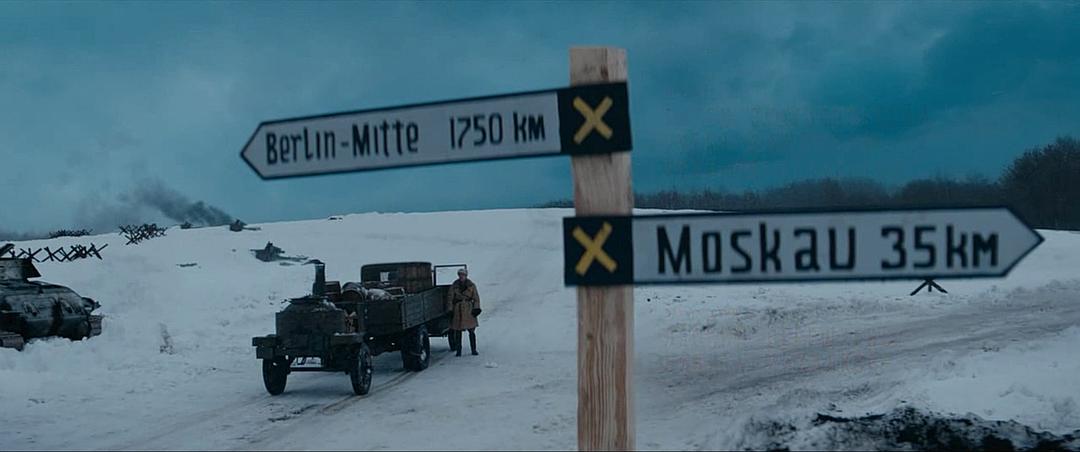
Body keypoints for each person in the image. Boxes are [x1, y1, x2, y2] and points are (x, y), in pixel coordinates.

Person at [448, 268, 481, 356]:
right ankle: (459, 351)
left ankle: (473, 349)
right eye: (460, 275)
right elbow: (450, 298)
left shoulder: (471, 285)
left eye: (463, 275)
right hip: (458, 309)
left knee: (471, 330)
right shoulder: (454, 285)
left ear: (466, 276)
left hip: (468, 309)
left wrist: (476, 308)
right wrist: (450, 310)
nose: (461, 276)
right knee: (458, 331)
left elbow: (476, 298)